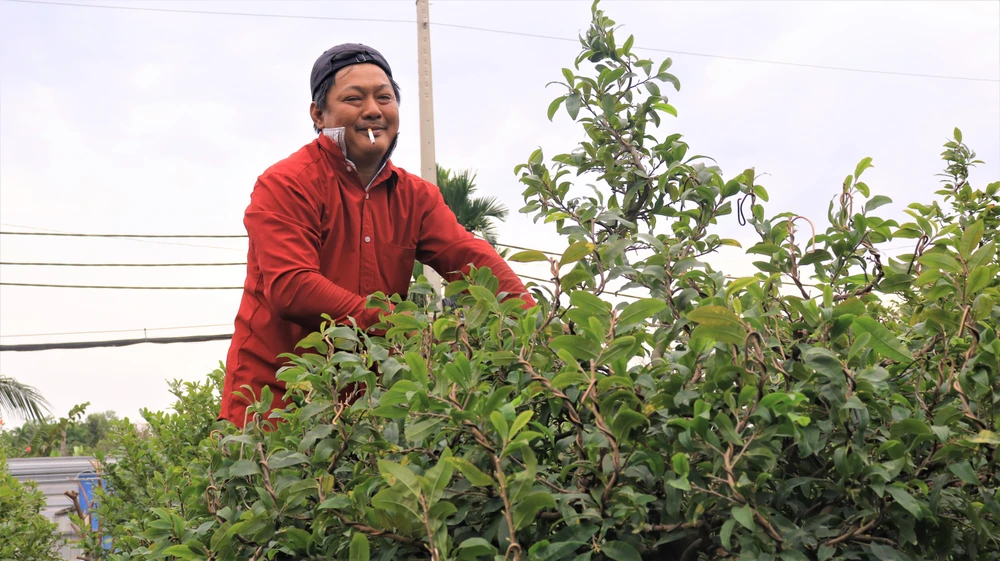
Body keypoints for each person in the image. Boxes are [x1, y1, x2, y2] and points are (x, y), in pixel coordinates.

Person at [219, 44, 535, 427]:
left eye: (384, 97)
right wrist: (401, 325)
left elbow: (469, 258)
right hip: (274, 404)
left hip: (369, 409)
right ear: (319, 115)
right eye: (354, 98)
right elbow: (293, 288)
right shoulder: (287, 183)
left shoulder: (415, 196)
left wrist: (535, 328)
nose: (373, 110)